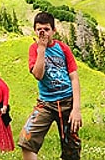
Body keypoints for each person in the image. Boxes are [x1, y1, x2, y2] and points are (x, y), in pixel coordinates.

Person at [18, 12, 82, 160]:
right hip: (45, 103)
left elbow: (74, 78)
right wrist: (41, 49)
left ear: (54, 30)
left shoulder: (63, 48)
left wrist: (76, 109)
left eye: (46, 29)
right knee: (26, 141)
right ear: (34, 30)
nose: (43, 33)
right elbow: (38, 75)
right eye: (39, 29)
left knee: (71, 150)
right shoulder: (34, 49)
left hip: (67, 102)